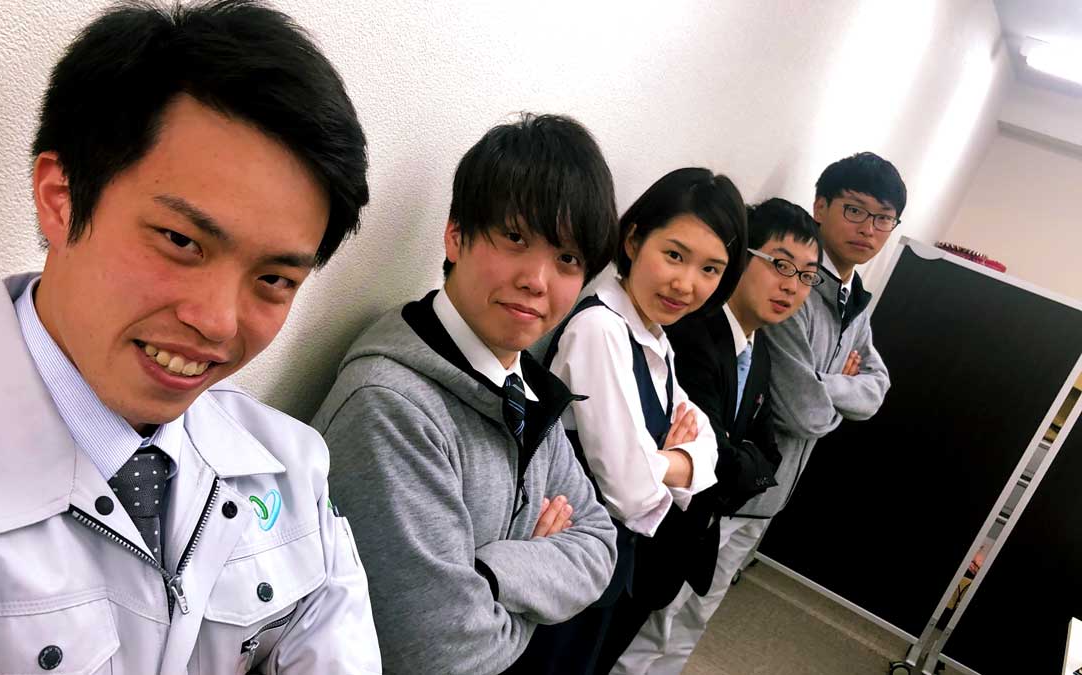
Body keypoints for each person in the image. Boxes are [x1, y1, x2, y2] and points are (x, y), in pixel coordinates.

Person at [0, 2, 380, 672]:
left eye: (273, 279)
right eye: (180, 241)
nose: (217, 322)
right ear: (60, 197)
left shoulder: (291, 466)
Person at [311, 114, 619, 675]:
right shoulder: (390, 406)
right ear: (455, 235)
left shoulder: (525, 384)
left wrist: (493, 573)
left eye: (568, 259)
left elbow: (600, 545)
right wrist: (540, 582)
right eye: (516, 238)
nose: (537, 280)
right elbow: (441, 653)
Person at [541, 167, 745, 673]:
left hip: (609, 567)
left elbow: (709, 446)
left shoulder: (655, 336)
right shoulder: (600, 329)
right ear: (633, 240)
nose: (686, 284)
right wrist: (673, 460)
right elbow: (630, 492)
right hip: (565, 563)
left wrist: (659, 460)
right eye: (674, 255)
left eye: (710, 269)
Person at [617, 197, 824, 673]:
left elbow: (767, 454)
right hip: (647, 534)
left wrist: (730, 457)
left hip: (695, 532)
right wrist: (730, 458)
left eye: (806, 276)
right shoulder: (693, 333)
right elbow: (720, 461)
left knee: (661, 644)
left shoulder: (758, 348)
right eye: (780, 265)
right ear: (738, 257)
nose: (792, 286)